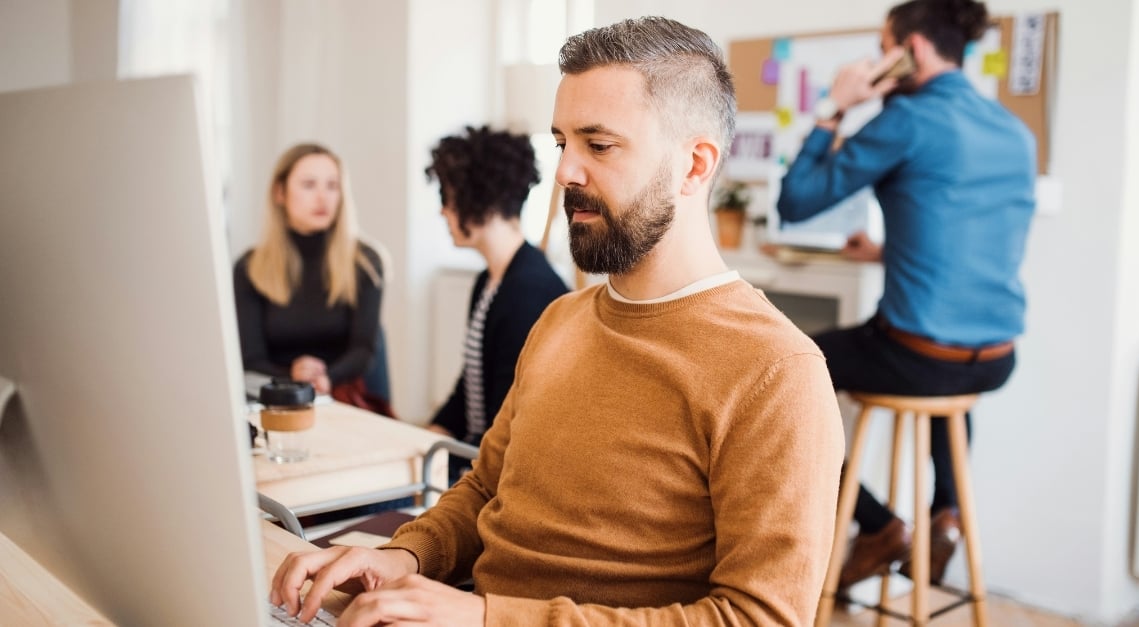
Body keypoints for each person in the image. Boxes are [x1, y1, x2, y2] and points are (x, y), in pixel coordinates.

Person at [271, 16, 844, 626]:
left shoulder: (776, 373)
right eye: (561, 143)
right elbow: (487, 491)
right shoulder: (560, 321)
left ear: (695, 165)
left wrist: (487, 618)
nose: (566, 174)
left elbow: (759, 619)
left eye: (598, 145)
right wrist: (407, 555)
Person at [775, 0, 1036, 591]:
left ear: (910, 50)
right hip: (996, 359)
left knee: (777, 372)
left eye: (883, 45)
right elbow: (973, 242)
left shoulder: (910, 120)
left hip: (917, 357)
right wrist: (887, 253)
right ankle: (945, 515)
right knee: (947, 373)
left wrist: (834, 107)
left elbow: (797, 201)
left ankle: (879, 526)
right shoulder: (1013, 131)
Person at [423, 125, 569, 478]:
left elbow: (508, 428)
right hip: (476, 456)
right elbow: (471, 384)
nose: (443, 211)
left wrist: (441, 461)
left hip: (501, 474)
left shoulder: (528, 292)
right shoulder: (490, 281)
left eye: (447, 196)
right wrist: (431, 433)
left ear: (479, 200)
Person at [233, 143, 391, 415]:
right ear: (279, 193)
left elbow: (363, 350)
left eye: (332, 186)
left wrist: (325, 377)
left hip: (343, 397)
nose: (323, 197)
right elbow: (250, 358)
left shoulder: (365, 262)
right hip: (275, 399)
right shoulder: (250, 267)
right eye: (309, 185)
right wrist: (292, 374)